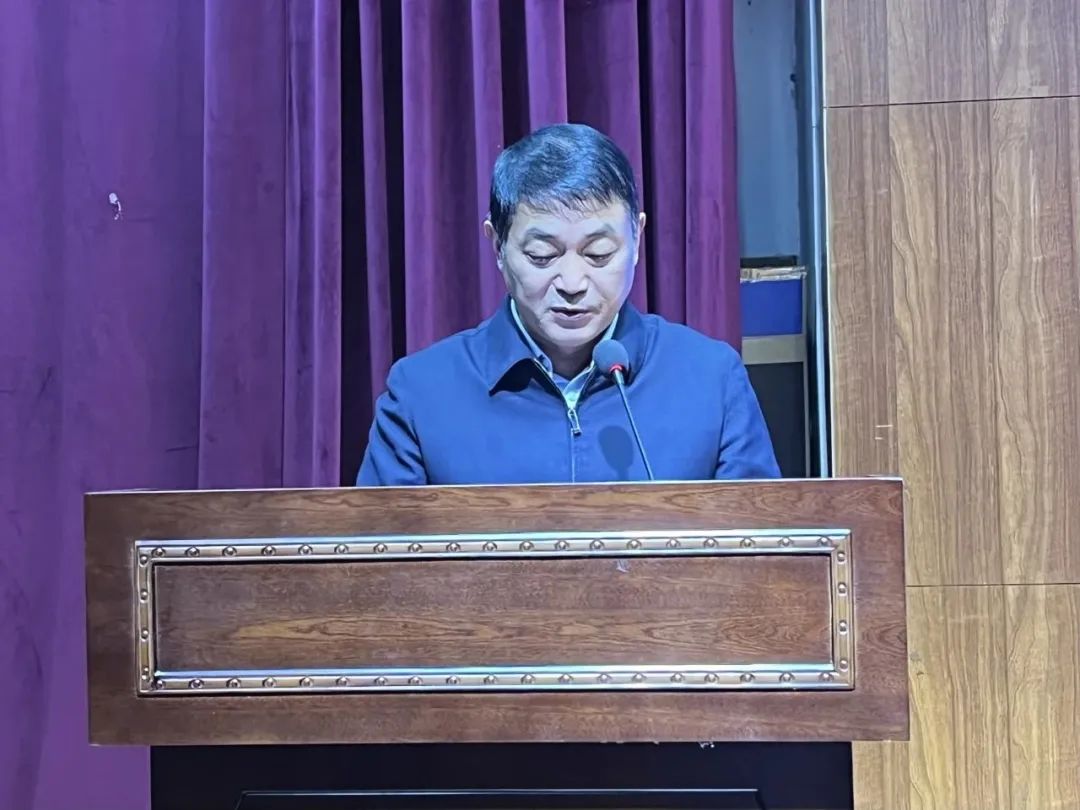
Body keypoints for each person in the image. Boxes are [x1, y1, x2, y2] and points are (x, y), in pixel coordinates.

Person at [357, 123, 779, 486]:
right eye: (542, 256)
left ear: (637, 239)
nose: (573, 284)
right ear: (498, 245)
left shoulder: (711, 380)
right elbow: (379, 553)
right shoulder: (420, 394)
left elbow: (760, 545)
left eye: (598, 254)